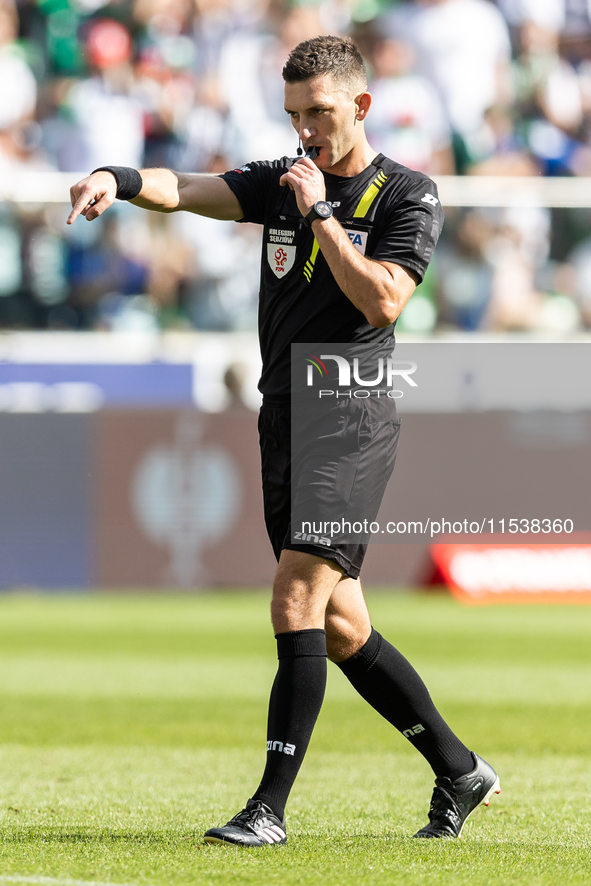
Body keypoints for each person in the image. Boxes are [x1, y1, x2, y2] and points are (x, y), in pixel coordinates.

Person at [68, 34, 500, 846]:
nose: (305, 130)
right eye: (294, 114)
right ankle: (459, 769)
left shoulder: (406, 194)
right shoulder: (281, 183)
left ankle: (268, 809)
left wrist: (322, 215)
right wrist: (117, 180)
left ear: (361, 106)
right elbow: (186, 187)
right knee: (340, 629)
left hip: (351, 415)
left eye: (321, 113)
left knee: (294, 597)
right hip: (285, 417)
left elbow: (381, 302)